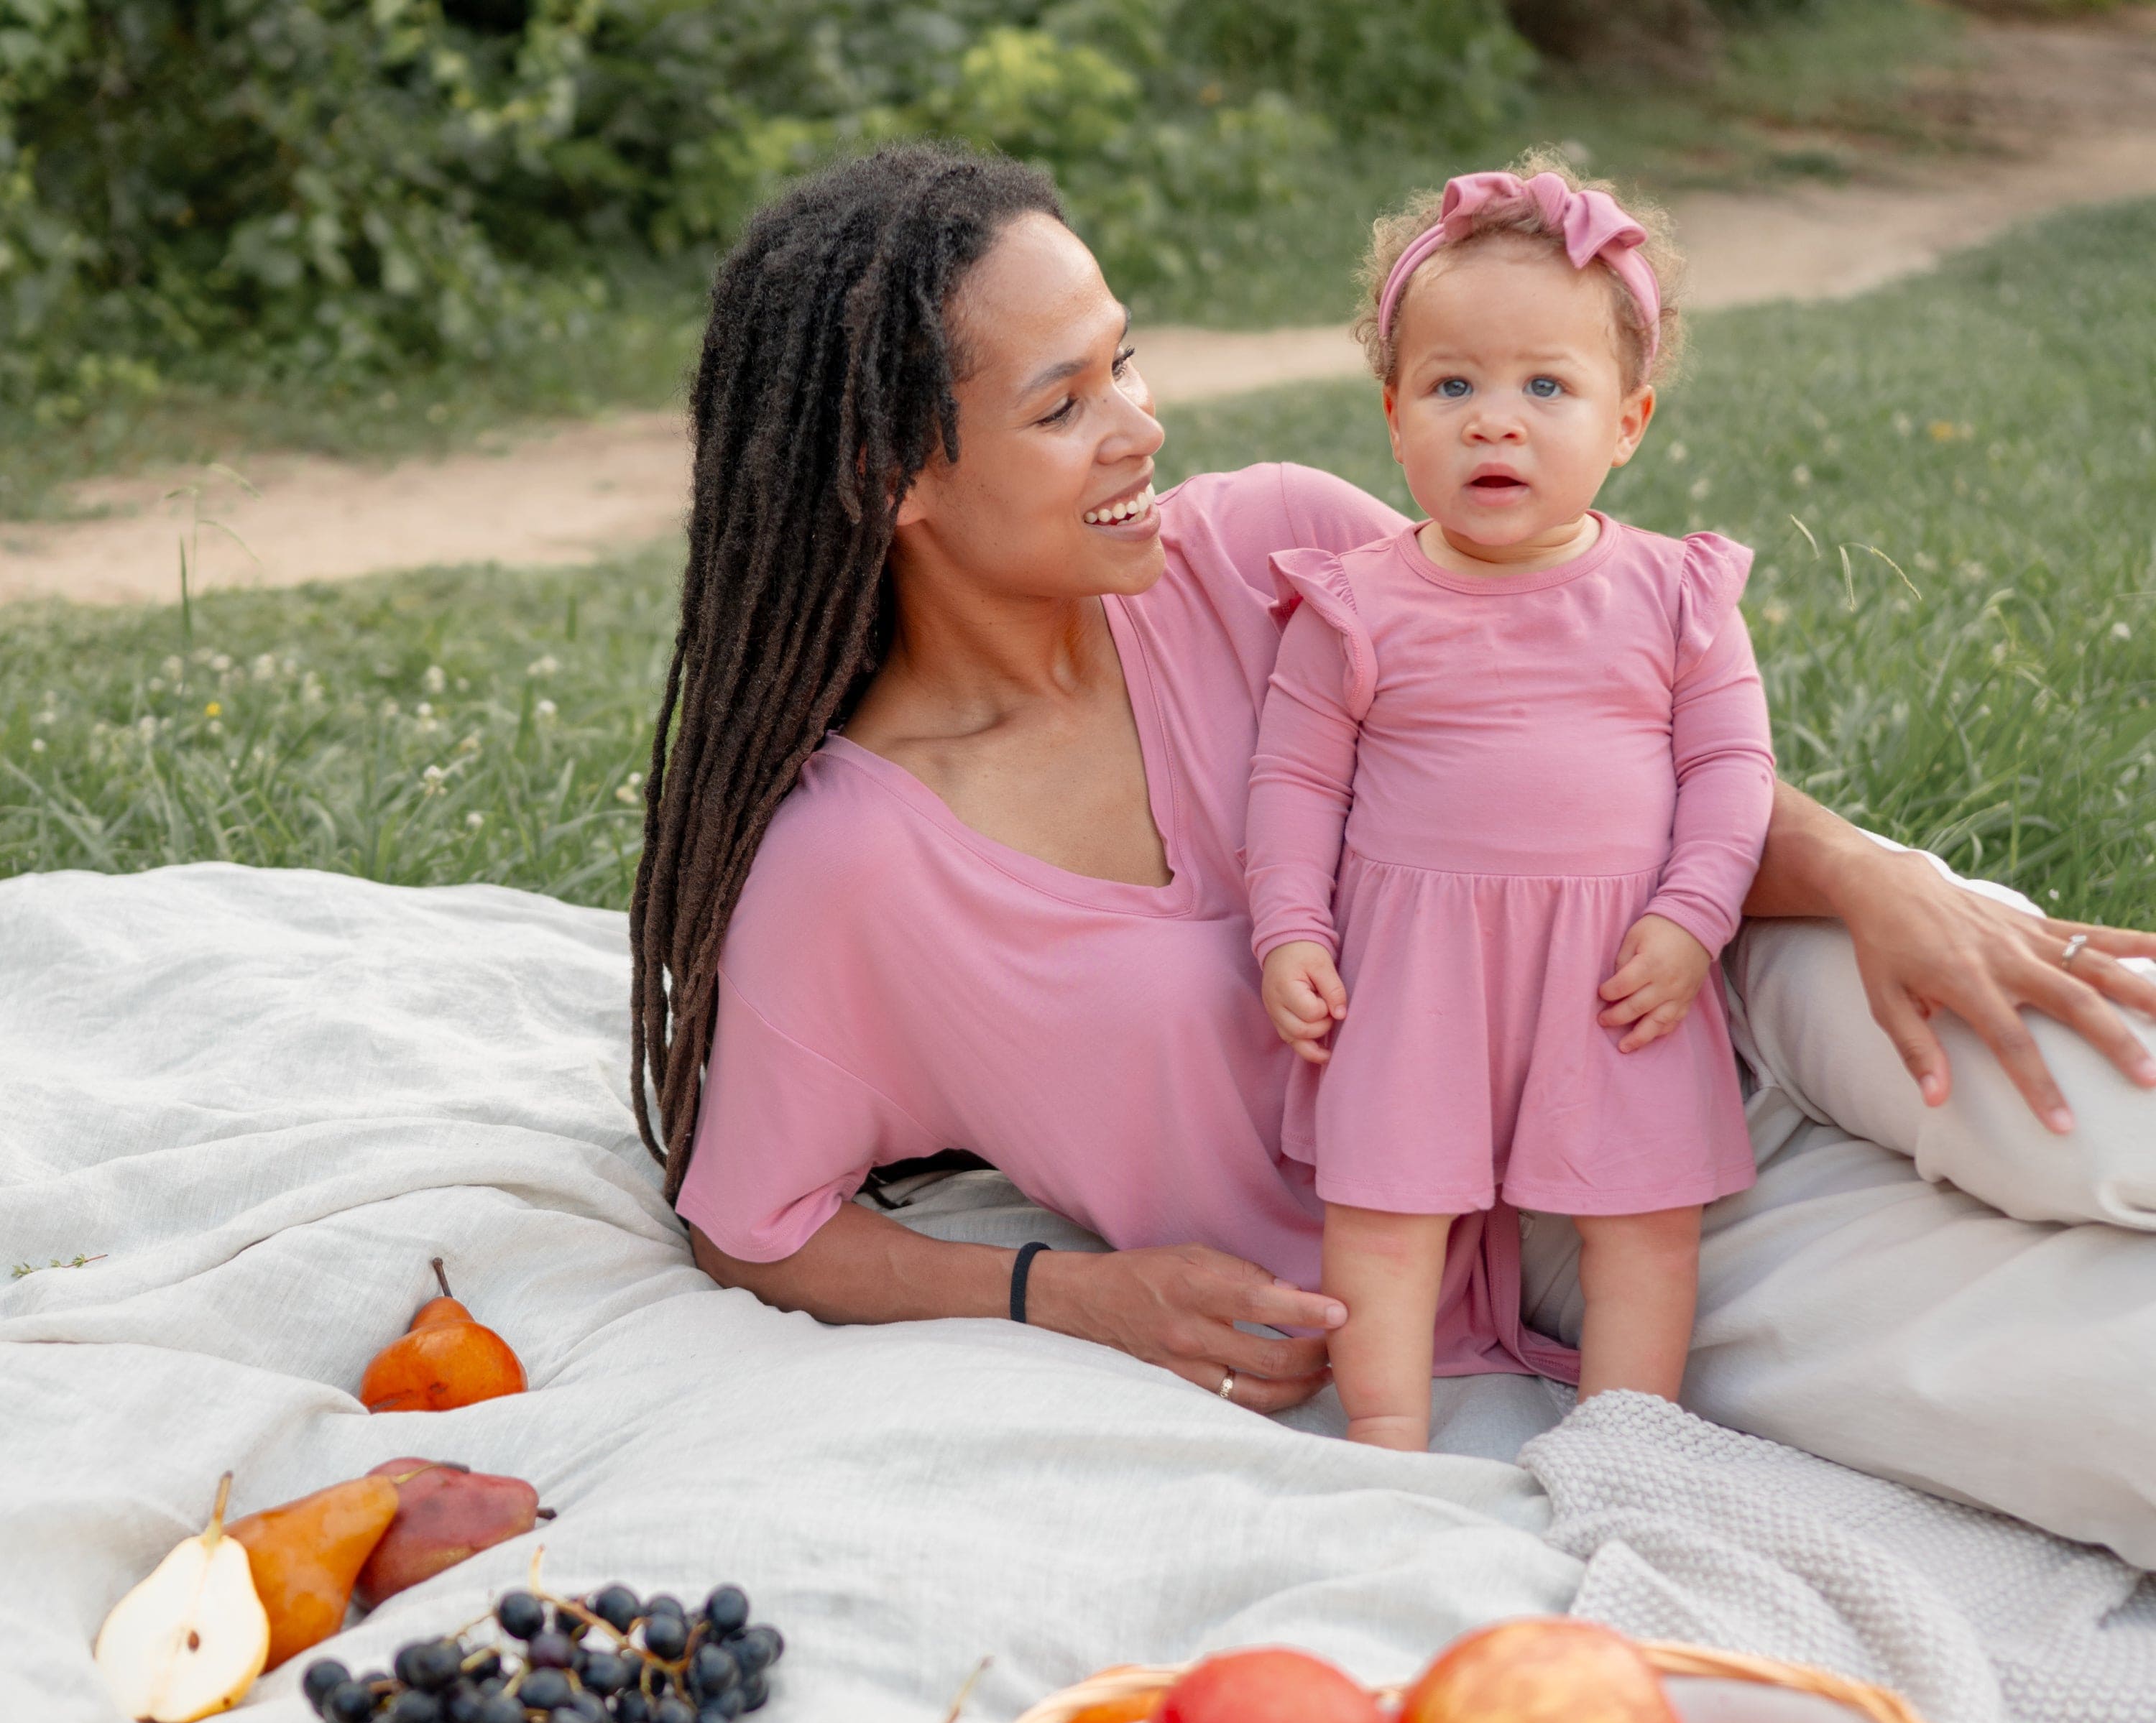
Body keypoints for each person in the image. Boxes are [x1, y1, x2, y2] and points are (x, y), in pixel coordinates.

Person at [626, 144, 2156, 1555]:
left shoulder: (1265, 547)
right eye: (1062, 405)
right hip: (1558, 1243)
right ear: (895, 481)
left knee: (2089, 1073)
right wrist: (1070, 1296)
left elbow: (1589, 710)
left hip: (1696, 990)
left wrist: (1876, 879)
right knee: (2088, 1398)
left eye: (1127, 359)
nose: (1143, 426)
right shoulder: (854, 871)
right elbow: (757, 1228)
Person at [1248, 161, 1773, 1445]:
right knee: (1382, 1212)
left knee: (1641, 1218)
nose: (1497, 421)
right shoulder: (1354, 603)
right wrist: (1291, 933)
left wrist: (1694, 914)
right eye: (1453, 386)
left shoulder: (1675, 595)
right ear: (1392, 418)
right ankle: (1385, 1443)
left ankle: (1627, 1438)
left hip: (1615, 963)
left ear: (1629, 420)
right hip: (1413, 967)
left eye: (1548, 387)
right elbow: (1296, 779)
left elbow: (1731, 769)